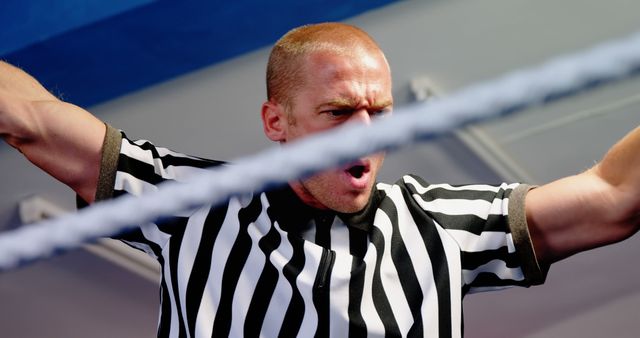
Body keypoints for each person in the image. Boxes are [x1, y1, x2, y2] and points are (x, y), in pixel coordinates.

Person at [0, 22, 639, 338]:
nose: (364, 133)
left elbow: (614, 198)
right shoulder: (197, 204)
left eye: (378, 113)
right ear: (276, 122)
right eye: (337, 113)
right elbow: (31, 120)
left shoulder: (440, 229)